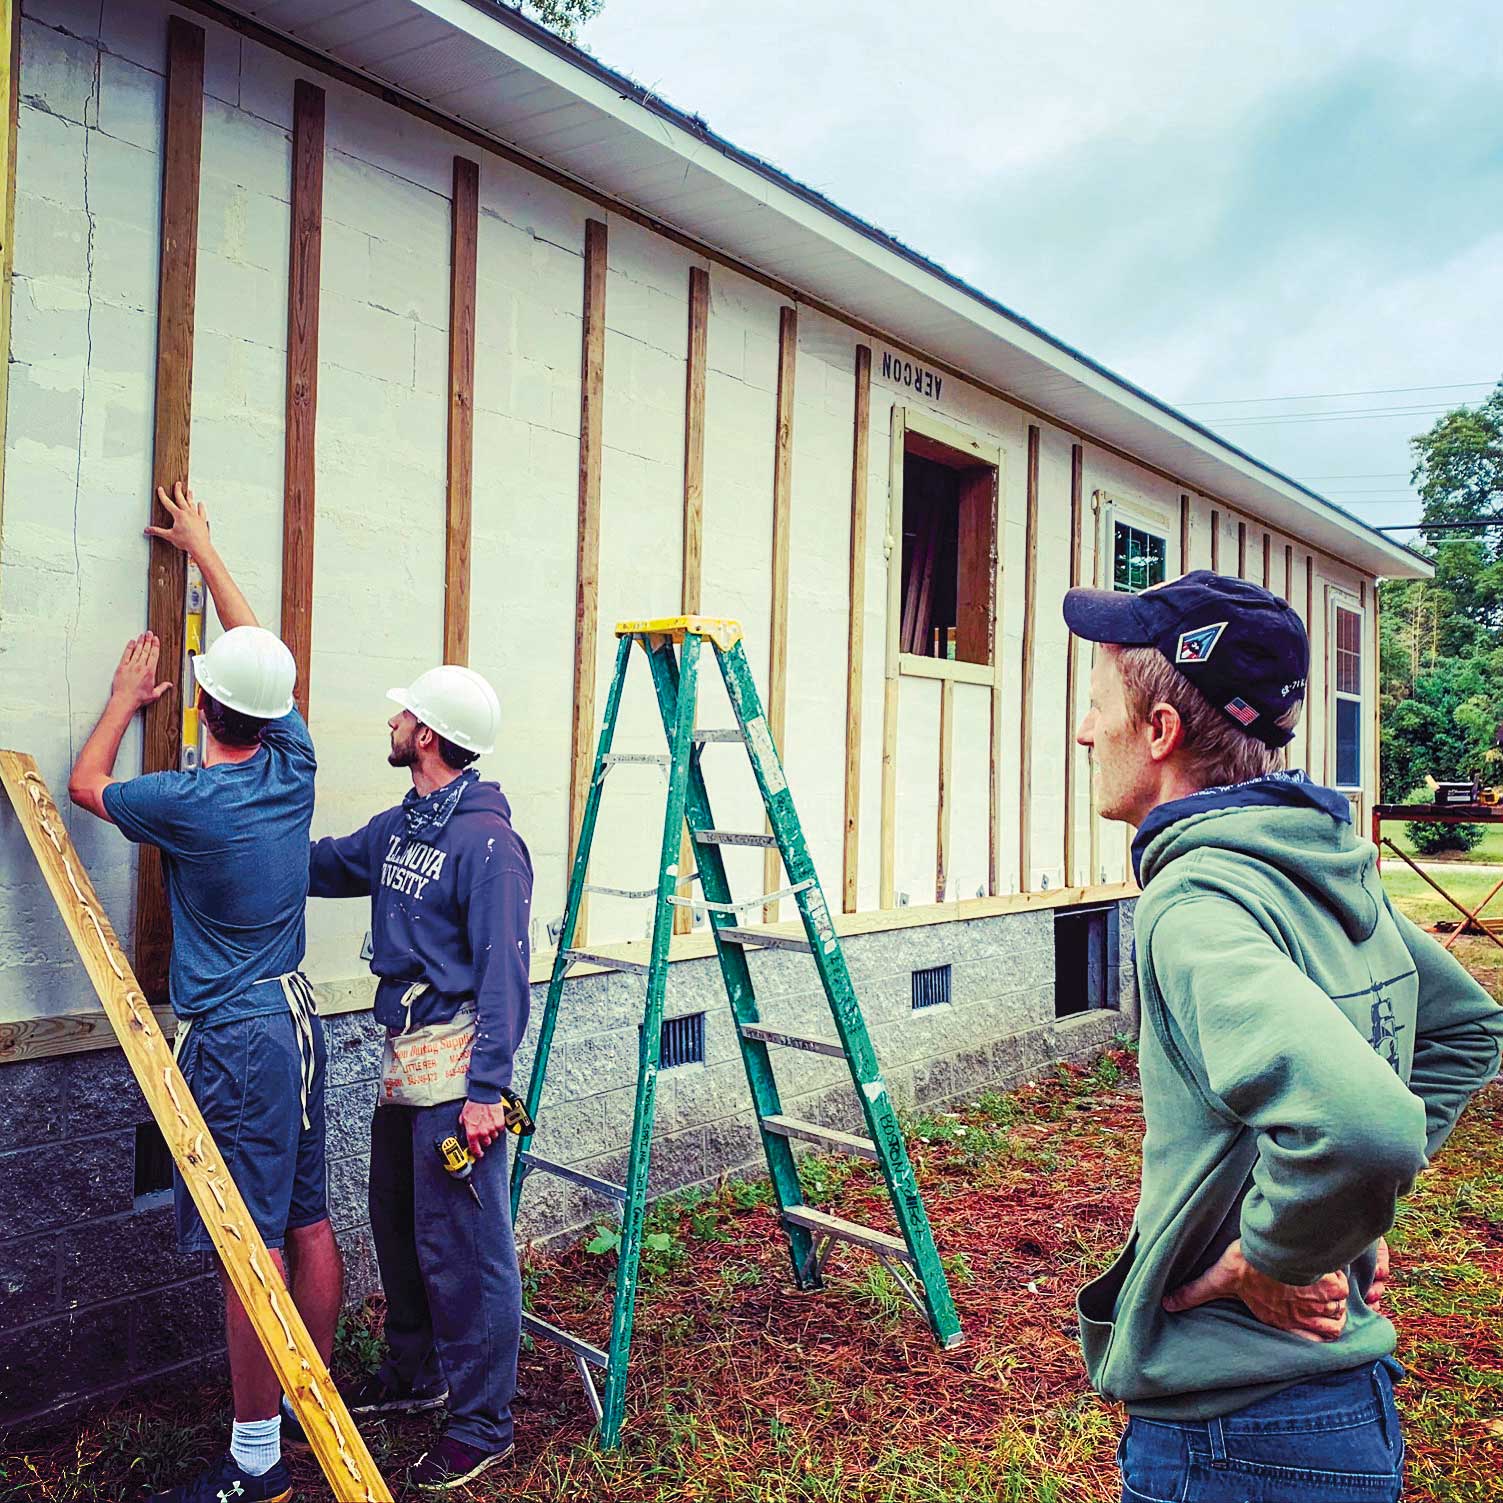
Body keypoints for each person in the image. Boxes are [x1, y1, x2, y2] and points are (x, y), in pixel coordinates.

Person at [1065, 570, 1503, 1503]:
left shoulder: (1196, 900)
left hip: (1237, 1434)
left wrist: (1276, 1254)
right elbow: (1466, 1030)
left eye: (1097, 704)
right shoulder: (1321, 863)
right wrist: (1337, 1218)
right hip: (1338, 1403)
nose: (1083, 730)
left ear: (1159, 730)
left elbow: (1362, 1125)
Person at [69, 483, 338, 1503]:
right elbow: (261, 657)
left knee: (248, 1243)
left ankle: (256, 1463)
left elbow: (87, 785)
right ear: (271, 715)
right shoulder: (294, 765)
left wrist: (121, 700)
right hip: (299, 1019)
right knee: (307, 1223)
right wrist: (208, 552)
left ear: (200, 709)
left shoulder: (189, 800)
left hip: (239, 1040)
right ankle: (310, 1408)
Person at [307, 664, 532, 1492]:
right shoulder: (405, 826)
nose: (392, 721)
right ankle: (415, 1374)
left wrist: (486, 1092)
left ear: (427, 735)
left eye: (403, 714)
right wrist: (238, 836)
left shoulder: (487, 844)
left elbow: (506, 975)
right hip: (404, 1065)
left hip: (456, 1070)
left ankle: (482, 1422)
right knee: (399, 1226)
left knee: (465, 1250)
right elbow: (327, 864)